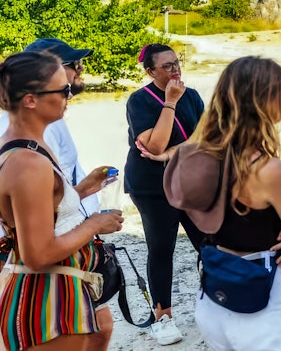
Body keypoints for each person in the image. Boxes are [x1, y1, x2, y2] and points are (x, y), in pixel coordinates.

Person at [166, 56, 281, 351]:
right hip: (265, 301)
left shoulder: (195, 158)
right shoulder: (269, 170)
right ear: (266, 101)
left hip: (214, 295)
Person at [0, 51, 124, 351]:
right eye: (64, 89)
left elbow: (40, 213)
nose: (71, 93)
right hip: (48, 301)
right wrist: (96, 222)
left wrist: (79, 191)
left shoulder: (24, 146)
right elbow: (38, 254)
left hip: (54, 293)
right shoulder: (29, 162)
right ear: (31, 100)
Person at [125, 43, 206, 345]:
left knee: (209, 244)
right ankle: (163, 317)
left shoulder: (193, 96)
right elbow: (153, 146)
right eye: (167, 66)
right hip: (151, 188)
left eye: (177, 62)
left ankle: (214, 300)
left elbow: (205, 139)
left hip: (190, 183)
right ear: (150, 71)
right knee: (162, 249)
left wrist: (171, 153)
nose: (176, 69)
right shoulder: (140, 101)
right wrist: (169, 102)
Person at [0, 39, 112, 216]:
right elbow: (38, 214)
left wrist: (87, 189)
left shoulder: (40, 122)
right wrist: (93, 224)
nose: (80, 69)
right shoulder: (39, 132)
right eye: (75, 64)